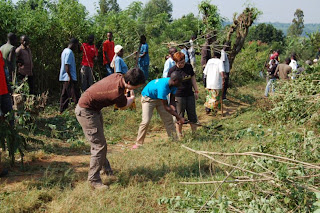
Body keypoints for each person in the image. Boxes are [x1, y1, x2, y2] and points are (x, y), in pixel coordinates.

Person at [76, 68, 145, 189]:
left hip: (93, 109)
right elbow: (124, 105)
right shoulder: (117, 94)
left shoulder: (118, 76)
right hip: (86, 111)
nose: (137, 89)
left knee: (101, 143)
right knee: (99, 145)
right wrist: (132, 98)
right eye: (137, 87)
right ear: (129, 83)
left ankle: (106, 171)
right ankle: (94, 180)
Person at [135, 72, 185, 147]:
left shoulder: (175, 84)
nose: (181, 84)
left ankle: (174, 141)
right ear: (174, 80)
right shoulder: (163, 87)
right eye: (180, 82)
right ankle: (138, 144)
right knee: (146, 121)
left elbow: (172, 101)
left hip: (159, 98)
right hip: (148, 98)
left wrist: (174, 111)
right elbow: (166, 107)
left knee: (168, 120)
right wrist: (179, 117)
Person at [167, 52, 199, 138]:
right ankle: (179, 134)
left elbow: (193, 78)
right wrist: (171, 99)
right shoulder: (172, 71)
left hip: (189, 94)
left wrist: (196, 90)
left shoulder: (188, 67)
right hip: (178, 95)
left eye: (183, 62)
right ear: (175, 62)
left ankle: (194, 134)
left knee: (192, 114)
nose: (182, 64)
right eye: (180, 63)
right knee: (180, 115)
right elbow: (169, 85)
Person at [0, 50, 13, 177]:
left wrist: (8, 86)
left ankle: (10, 150)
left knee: (10, 121)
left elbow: (4, 70)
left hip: (3, 91)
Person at [59, 38, 80, 113]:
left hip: (66, 77)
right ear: (74, 44)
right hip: (69, 77)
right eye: (77, 45)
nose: (77, 47)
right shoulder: (69, 52)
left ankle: (62, 110)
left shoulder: (65, 51)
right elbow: (66, 65)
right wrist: (70, 77)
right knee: (75, 94)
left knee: (65, 95)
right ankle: (80, 110)